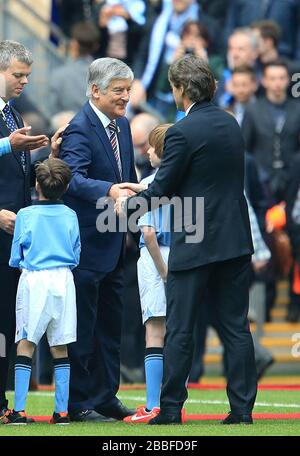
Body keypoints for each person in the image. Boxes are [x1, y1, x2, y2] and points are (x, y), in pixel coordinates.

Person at [117, 55, 258, 425]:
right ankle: (242, 411)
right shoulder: (231, 125)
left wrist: (130, 206)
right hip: (234, 239)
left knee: (180, 328)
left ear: (180, 89)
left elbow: (163, 188)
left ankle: (172, 410)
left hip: (195, 241)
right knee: (236, 328)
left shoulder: (181, 131)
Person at [59, 57, 137, 422]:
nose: (125, 97)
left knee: (110, 327)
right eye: (119, 91)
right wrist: (110, 189)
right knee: (84, 328)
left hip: (115, 243)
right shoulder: (79, 128)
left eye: (127, 90)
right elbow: (71, 178)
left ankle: (106, 396)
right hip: (87, 246)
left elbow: (128, 177)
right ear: (95, 90)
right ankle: (80, 403)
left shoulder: (120, 125)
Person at [4, 158, 80, 425]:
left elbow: (16, 257)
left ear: (36, 184)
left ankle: (20, 410)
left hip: (34, 278)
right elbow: (76, 252)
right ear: (66, 186)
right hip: (64, 279)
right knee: (60, 345)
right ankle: (61, 412)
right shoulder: (71, 215)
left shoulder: (25, 214)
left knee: (26, 342)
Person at [0, 40, 50, 422]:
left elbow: (16, 174)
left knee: (6, 319)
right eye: (18, 75)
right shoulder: (9, 125)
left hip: (13, 237)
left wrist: (47, 156)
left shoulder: (13, 114)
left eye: (27, 75)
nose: (25, 81)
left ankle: (3, 406)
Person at [124, 123, 172, 424]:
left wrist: (164, 272)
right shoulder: (186, 180)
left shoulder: (154, 182)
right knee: (179, 332)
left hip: (156, 260)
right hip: (184, 254)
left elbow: (149, 233)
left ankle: (154, 404)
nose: (148, 151)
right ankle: (173, 402)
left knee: (154, 330)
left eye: (152, 146)